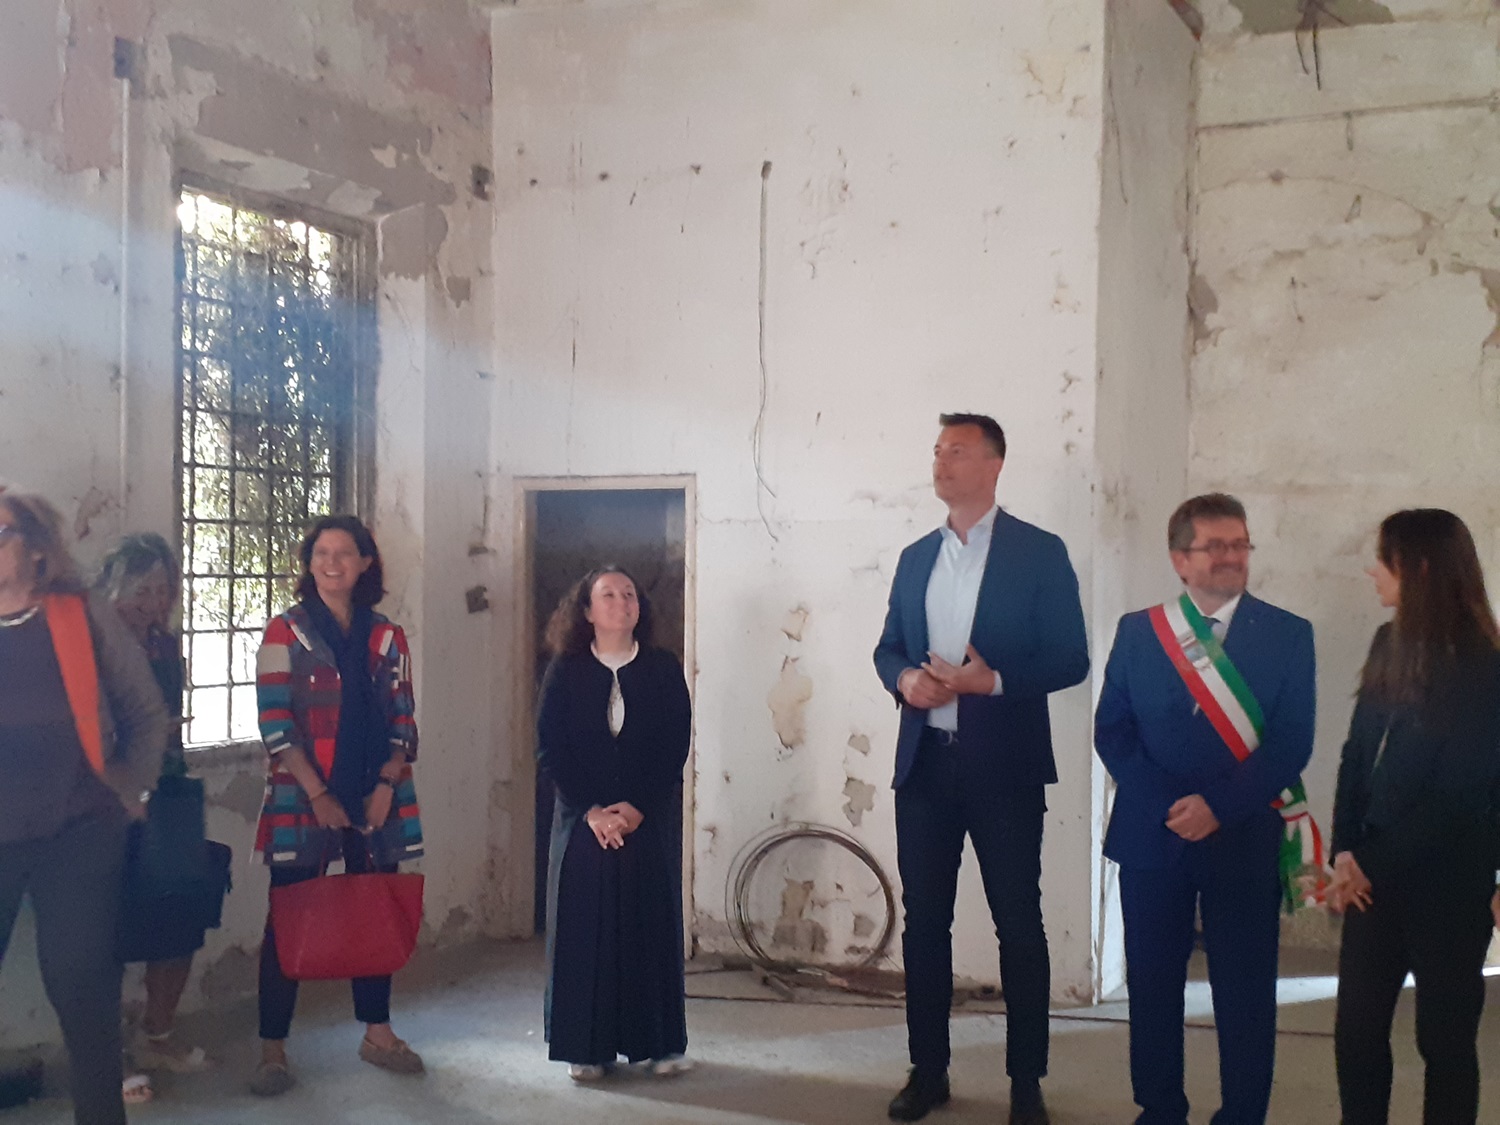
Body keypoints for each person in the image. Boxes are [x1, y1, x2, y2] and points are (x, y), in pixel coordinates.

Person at [873, 413, 1089, 1125]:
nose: (941, 462)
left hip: (1005, 769)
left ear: (994, 464)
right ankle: (928, 1070)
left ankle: (1026, 1081)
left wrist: (988, 683)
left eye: (958, 451)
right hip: (926, 767)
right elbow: (888, 647)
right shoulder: (915, 557)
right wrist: (906, 679)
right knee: (925, 925)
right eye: (937, 450)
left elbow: (1071, 658)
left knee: (1018, 923)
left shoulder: (1039, 552)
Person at [1094, 493, 1316, 1125]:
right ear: (1179, 559)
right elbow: (1113, 732)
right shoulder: (1139, 631)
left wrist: (1218, 807)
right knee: (1153, 985)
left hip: (1243, 832)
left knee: (1245, 990)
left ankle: (1243, 1112)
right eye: (1214, 546)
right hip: (1152, 830)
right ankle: (1160, 1107)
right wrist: (1172, 805)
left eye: (1239, 544)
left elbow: (1292, 741)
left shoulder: (1288, 633)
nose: (1230, 557)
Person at [0, 486, 168, 1125]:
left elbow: (144, 711)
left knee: (84, 995)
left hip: (78, 834)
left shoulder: (80, 614)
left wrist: (136, 789)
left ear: (37, 550)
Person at [1329, 509, 1500, 1125]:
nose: (1373, 571)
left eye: (1385, 559)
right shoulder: (1388, 641)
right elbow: (1357, 753)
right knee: (1357, 1031)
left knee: (1444, 1039)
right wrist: (1344, 852)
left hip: (1451, 881)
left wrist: (1368, 863)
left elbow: (1457, 794)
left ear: (1420, 569)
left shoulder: (1484, 665)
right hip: (1372, 878)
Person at [250, 515, 425, 1096]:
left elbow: (403, 717)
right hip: (304, 794)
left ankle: (377, 1032)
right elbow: (275, 722)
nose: (332, 563)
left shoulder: (386, 635)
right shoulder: (285, 632)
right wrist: (319, 793)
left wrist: (385, 785)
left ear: (365, 563)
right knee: (288, 915)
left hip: (376, 792)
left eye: (344, 553)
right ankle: (272, 1048)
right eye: (321, 553)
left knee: (374, 907)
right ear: (309, 563)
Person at [537, 565, 693, 1081]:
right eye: (608, 595)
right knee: (584, 929)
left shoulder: (662, 668)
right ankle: (586, 1049)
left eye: (629, 594)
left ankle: (658, 1044)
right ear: (586, 610)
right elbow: (551, 748)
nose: (622, 602)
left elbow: (674, 743)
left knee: (650, 926)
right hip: (581, 819)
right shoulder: (565, 669)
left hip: (646, 816)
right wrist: (592, 811)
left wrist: (638, 807)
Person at [95, 534, 211, 1104]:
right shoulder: (91, 642)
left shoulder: (165, 644)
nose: (155, 603)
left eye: (164, 591)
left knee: (181, 913)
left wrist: (163, 734)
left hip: (167, 793)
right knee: (106, 929)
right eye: (143, 591)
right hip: (106, 801)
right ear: (113, 587)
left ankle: (156, 1035)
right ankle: (107, 1055)